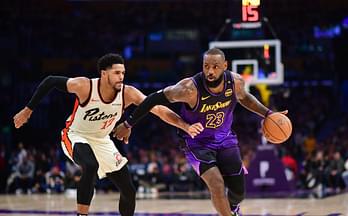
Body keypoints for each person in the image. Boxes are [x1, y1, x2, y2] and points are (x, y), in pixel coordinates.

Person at [13, 53, 203, 216]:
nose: (121, 77)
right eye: (117, 73)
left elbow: (158, 109)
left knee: (128, 189)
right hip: (75, 135)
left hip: (102, 141)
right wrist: (28, 110)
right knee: (90, 165)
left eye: (123, 73)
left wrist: (185, 126)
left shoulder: (128, 93)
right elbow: (51, 81)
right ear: (104, 74)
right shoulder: (85, 86)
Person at [113, 48, 287, 216]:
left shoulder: (235, 82)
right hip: (196, 143)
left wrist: (268, 113)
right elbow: (153, 99)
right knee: (217, 184)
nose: (210, 71)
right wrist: (128, 123)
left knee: (238, 193)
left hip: (225, 140)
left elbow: (245, 98)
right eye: (206, 66)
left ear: (225, 66)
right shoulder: (189, 89)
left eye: (215, 67)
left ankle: (232, 208)